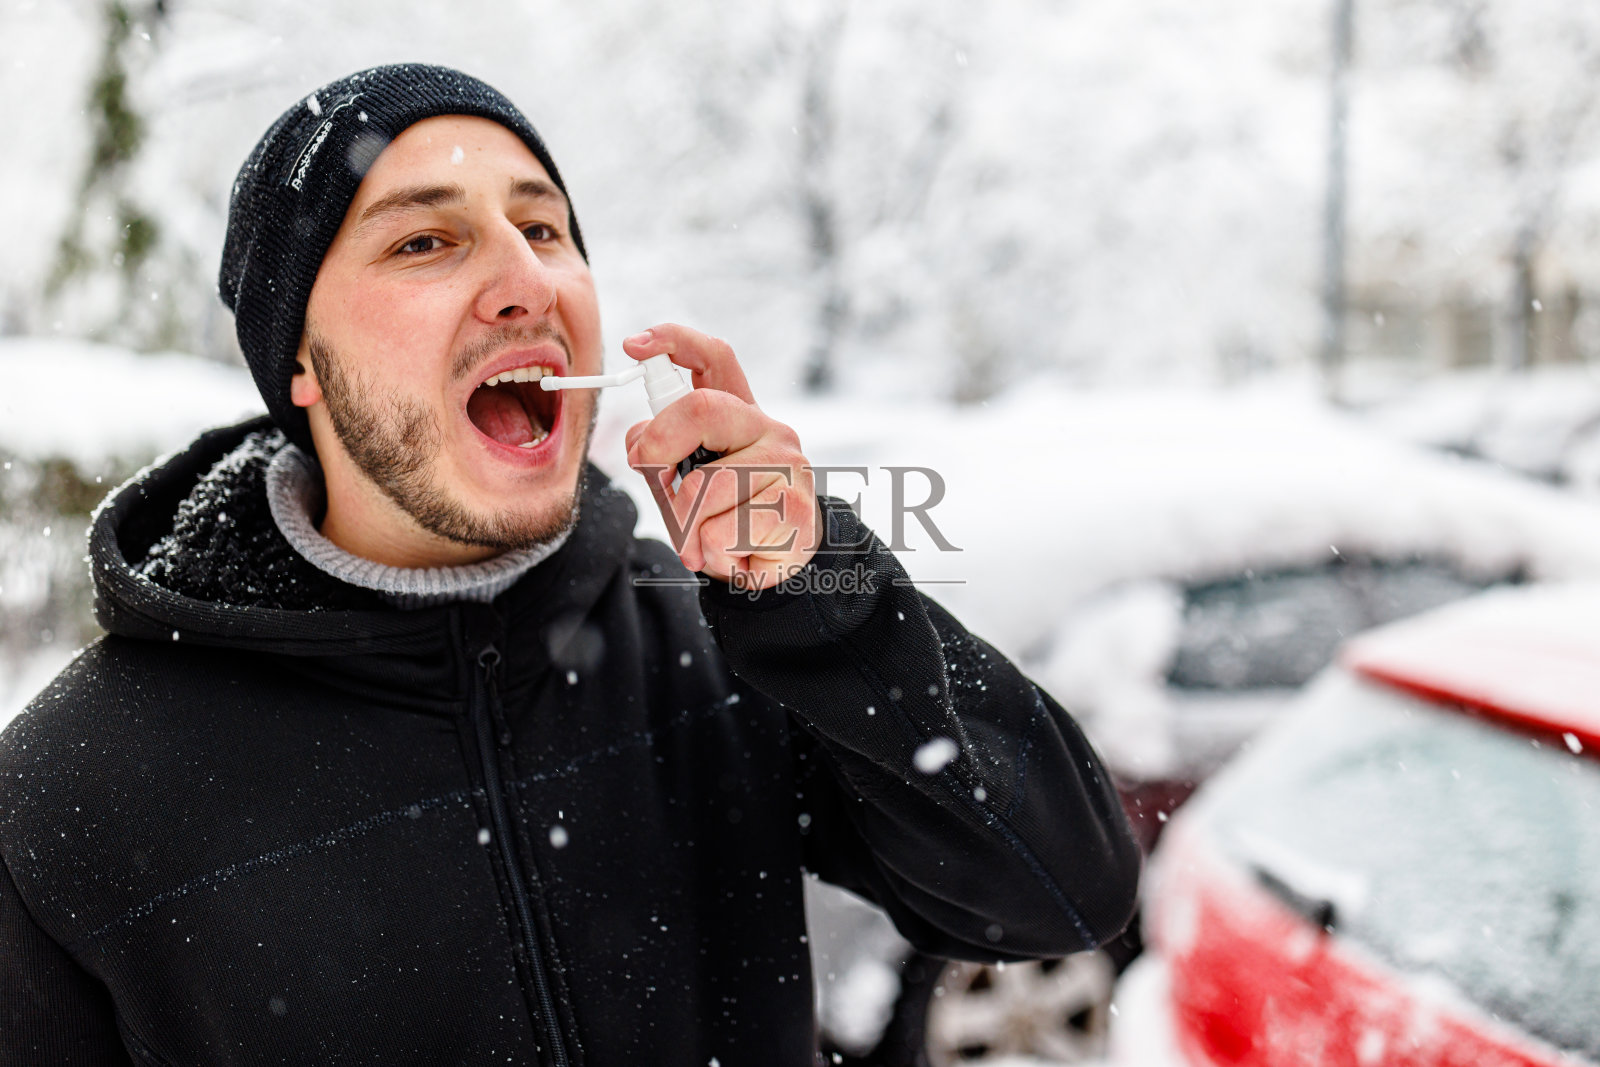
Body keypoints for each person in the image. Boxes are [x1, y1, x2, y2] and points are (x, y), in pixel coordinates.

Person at [0, 64, 1139, 1066]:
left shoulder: (713, 640)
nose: (525, 281)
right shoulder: (69, 793)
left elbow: (1058, 891)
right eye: (424, 240)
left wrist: (819, 593)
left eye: (543, 231)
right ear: (299, 357)